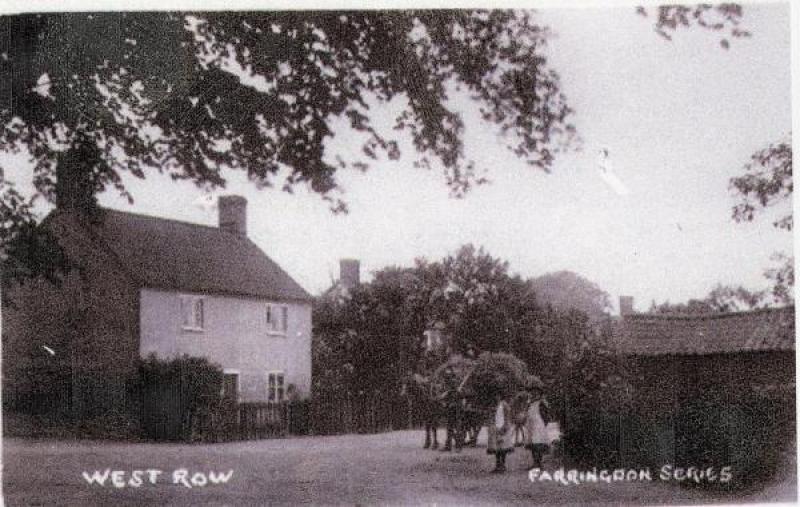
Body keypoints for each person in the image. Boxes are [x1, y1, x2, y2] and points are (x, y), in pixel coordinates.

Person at [523, 381, 552, 470]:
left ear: (539, 393)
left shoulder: (542, 403)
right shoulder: (530, 403)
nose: (534, 393)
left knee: (538, 443)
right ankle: (535, 462)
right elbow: (527, 412)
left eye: (536, 392)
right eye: (532, 392)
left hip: (539, 425)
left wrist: (544, 424)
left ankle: (539, 463)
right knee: (532, 443)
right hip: (531, 425)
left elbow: (546, 415)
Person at [487, 391, 514, 473]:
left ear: (500, 396)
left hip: (503, 427)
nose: (496, 397)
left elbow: (507, 416)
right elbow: (493, 417)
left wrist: (505, 427)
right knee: (497, 448)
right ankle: (498, 464)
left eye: (497, 395)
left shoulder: (504, 404)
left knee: (503, 448)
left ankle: (502, 465)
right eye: (494, 395)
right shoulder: (495, 405)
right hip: (496, 428)